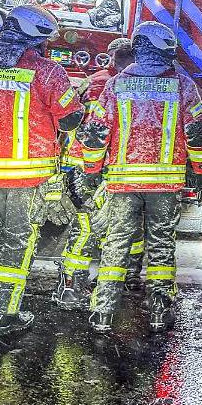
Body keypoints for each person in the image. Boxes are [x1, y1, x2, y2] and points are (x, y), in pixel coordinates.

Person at [0, 4, 83, 337]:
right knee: (17, 242)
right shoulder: (47, 72)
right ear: (35, 38)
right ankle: (3, 315)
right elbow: (70, 119)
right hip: (29, 175)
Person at [79, 21, 202, 334]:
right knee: (161, 245)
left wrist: (91, 170)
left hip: (123, 182)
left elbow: (97, 133)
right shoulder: (182, 84)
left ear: (139, 47)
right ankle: (158, 310)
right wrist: (201, 170)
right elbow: (196, 132)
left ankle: (102, 311)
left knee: (116, 244)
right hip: (165, 184)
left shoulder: (116, 85)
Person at [54, 36, 140, 310]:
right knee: (92, 227)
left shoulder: (94, 81)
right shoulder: (116, 85)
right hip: (95, 166)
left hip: (82, 164)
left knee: (91, 226)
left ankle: (74, 283)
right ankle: (73, 286)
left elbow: (70, 120)